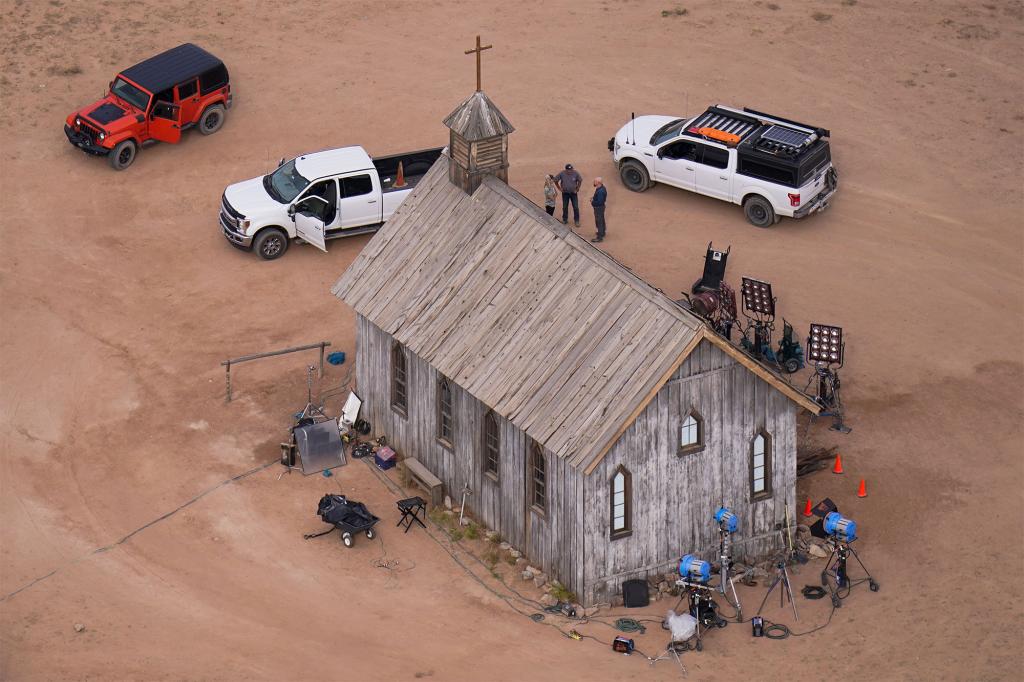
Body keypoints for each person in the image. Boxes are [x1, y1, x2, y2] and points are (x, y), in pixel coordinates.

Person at [590, 177, 607, 242]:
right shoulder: (601, 188)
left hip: (599, 208)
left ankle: (599, 237)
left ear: (598, 183)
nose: (594, 182)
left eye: (595, 181)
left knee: (599, 221)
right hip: (601, 208)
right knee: (601, 220)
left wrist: (592, 201)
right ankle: (602, 232)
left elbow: (600, 202)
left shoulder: (600, 191)